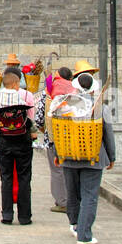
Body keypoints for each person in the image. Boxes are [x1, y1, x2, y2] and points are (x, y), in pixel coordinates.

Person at [55, 71, 115, 244]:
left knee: (72, 193)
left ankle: (75, 225)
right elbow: (108, 134)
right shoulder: (99, 107)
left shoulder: (64, 106)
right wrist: (111, 156)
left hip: (69, 155)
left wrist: (59, 154)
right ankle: (84, 234)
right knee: (89, 196)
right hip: (93, 156)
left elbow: (57, 132)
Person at [0, 68, 37, 225]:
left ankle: (7, 214)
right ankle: (24, 216)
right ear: (15, 83)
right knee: (24, 177)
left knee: (6, 178)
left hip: (4, 142)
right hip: (22, 140)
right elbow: (29, 118)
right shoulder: (21, 96)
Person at [37, 64, 73, 212]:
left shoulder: (48, 92)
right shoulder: (73, 92)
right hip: (72, 138)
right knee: (69, 169)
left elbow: (39, 117)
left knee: (57, 170)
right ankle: (73, 199)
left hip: (52, 138)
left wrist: (42, 128)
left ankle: (62, 201)